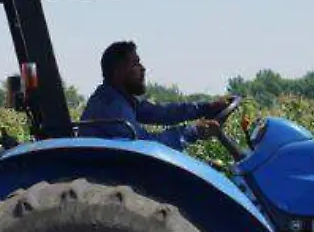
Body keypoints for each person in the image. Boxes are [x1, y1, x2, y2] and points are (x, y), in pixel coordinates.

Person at [79, 40, 234, 150]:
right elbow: (145, 147)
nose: (143, 68)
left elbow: (161, 112)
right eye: (135, 64)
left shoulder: (121, 99)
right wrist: (194, 131)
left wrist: (206, 108)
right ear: (118, 72)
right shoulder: (112, 105)